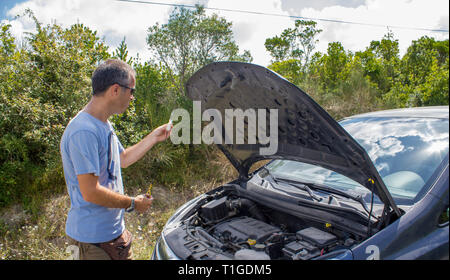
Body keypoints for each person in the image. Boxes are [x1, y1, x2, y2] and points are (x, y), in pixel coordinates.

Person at [60, 59, 172, 260]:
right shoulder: (84, 130)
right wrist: (132, 204)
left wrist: (154, 137)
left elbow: (123, 158)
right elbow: (91, 191)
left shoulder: (104, 125)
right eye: (132, 91)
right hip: (91, 243)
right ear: (115, 90)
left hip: (113, 235)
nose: (132, 98)